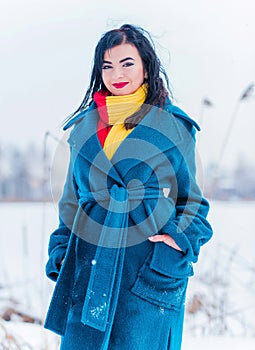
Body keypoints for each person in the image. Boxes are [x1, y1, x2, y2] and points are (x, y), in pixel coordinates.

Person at [44, 24, 213, 350]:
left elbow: (193, 203)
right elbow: (71, 203)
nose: (116, 73)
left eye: (127, 63)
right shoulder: (83, 129)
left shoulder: (174, 127)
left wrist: (177, 243)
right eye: (107, 66)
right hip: (91, 265)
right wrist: (63, 253)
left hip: (148, 267)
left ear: (146, 68)